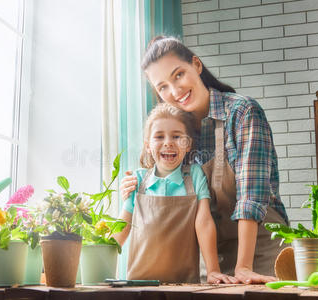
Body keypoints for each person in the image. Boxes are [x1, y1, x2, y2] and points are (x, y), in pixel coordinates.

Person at [119, 36, 289, 284]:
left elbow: (251, 196)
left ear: (196, 65)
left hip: (260, 254)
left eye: (178, 75)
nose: (175, 91)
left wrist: (243, 266)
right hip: (208, 263)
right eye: (163, 86)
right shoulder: (178, 133)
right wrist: (135, 188)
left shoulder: (242, 113)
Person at [113, 103, 236, 284]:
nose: (168, 142)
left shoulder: (194, 175)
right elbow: (122, 226)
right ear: (148, 146)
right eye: (159, 136)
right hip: (139, 285)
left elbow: (204, 222)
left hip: (185, 284)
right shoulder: (137, 180)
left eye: (177, 136)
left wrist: (213, 270)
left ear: (188, 145)